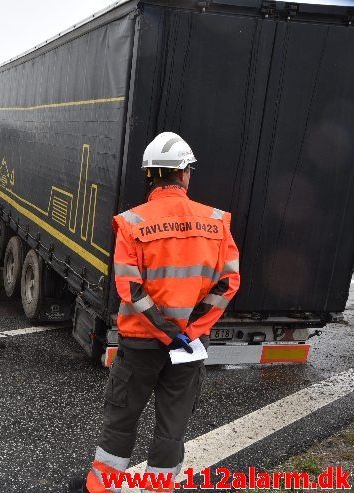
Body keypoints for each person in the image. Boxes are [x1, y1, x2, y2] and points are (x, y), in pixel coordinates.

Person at [70, 132, 241, 493]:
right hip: (189, 348)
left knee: (121, 420)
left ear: (151, 175)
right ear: (183, 174)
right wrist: (190, 331)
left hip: (141, 343)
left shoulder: (132, 222)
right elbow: (228, 283)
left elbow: (129, 289)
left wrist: (166, 330)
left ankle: (101, 489)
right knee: (172, 426)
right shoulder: (216, 221)